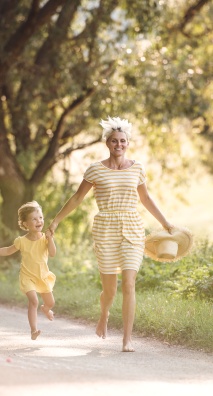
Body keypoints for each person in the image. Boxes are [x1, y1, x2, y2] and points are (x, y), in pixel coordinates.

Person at [46, 117, 174, 352]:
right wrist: (55, 221)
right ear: (107, 143)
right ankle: (104, 313)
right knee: (110, 290)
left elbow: (145, 199)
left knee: (128, 283)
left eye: (123, 141)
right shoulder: (95, 170)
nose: (119, 144)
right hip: (105, 229)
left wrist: (166, 223)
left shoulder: (137, 168)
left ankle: (127, 339)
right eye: (114, 141)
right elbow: (76, 198)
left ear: (128, 143)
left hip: (132, 228)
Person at [0, 201, 56, 340]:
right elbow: (8, 250)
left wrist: (51, 240)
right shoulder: (21, 241)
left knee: (50, 303)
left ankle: (46, 309)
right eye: (34, 219)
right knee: (33, 301)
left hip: (42, 276)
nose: (39, 221)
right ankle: (33, 330)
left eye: (41, 218)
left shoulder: (45, 238)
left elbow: (53, 253)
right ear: (25, 224)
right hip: (27, 277)